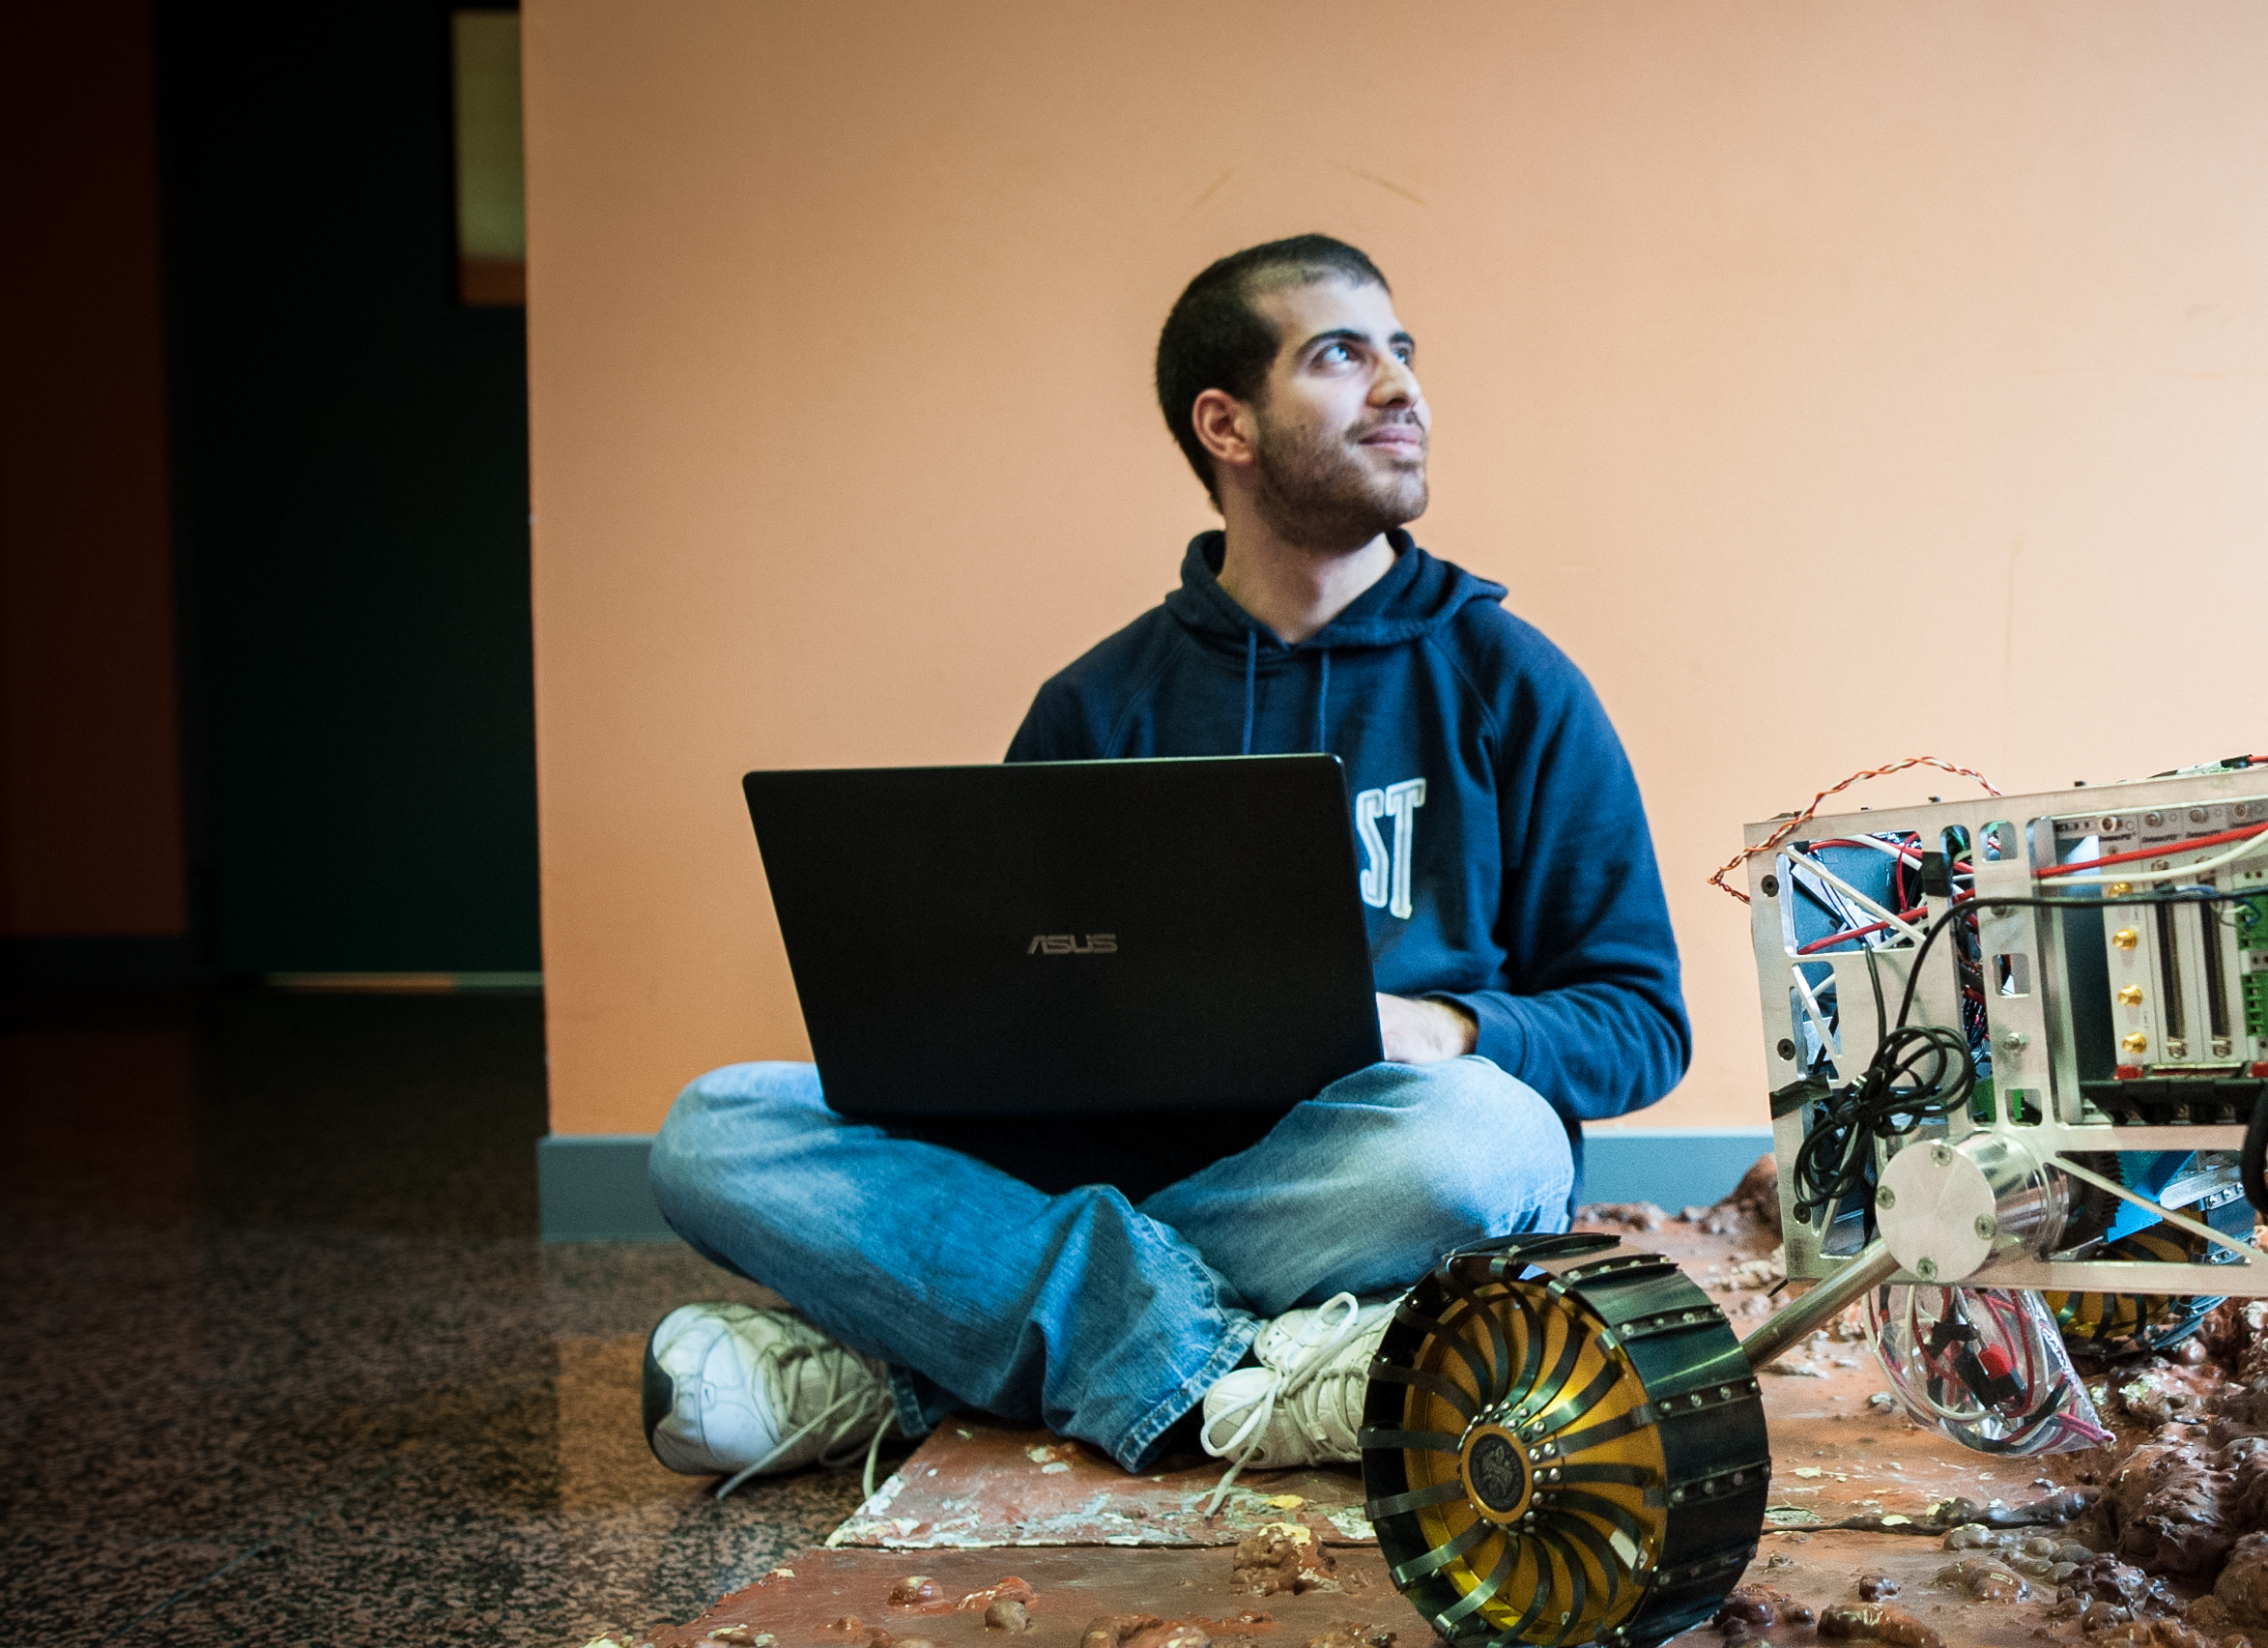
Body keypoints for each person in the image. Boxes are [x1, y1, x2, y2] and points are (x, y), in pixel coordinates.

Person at [638, 235, 1690, 1491]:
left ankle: (921, 1360)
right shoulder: (1096, 706)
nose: (1403, 387)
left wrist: (1449, 1030)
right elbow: (1007, 1011)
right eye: (1343, 355)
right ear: (1225, 423)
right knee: (713, 1128)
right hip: (1125, 1164)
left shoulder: (1512, 684)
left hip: (1362, 1171)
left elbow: (1638, 1023)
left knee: (1491, 1147)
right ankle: (1243, 1366)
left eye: (1402, 352)